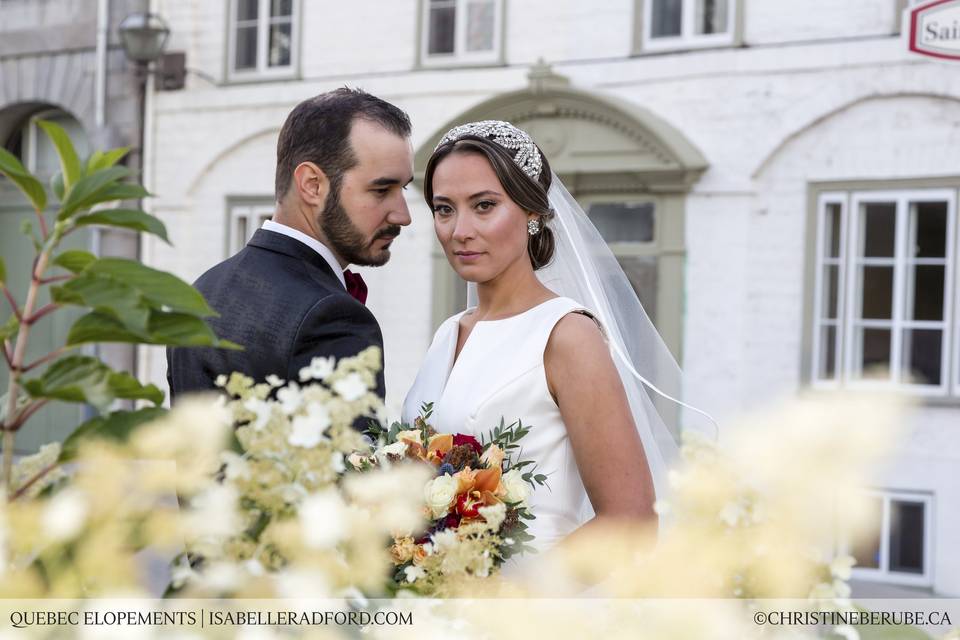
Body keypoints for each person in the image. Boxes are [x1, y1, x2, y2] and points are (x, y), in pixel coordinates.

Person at [402, 120, 707, 560]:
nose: (459, 230)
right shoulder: (447, 334)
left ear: (532, 214)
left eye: (484, 205)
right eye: (444, 208)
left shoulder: (567, 335)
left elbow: (631, 521)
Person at [168, 88, 414, 401]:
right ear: (312, 185)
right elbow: (350, 448)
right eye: (381, 190)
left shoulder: (202, 293)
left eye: (403, 188)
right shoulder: (333, 317)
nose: (403, 215)